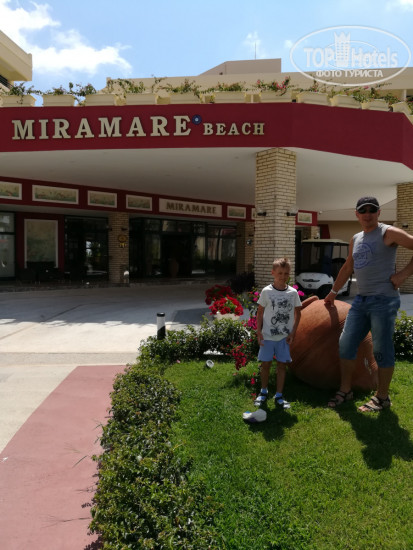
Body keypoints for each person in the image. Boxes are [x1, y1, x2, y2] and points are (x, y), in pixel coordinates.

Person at [325, 196, 413, 412]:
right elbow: (348, 267)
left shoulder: (388, 232)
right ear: (356, 214)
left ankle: (382, 397)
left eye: (371, 210)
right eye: (362, 210)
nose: (367, 214)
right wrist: (333, 292)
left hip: (384, 300)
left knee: (382, 348)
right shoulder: (356, 238)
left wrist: (402, 275)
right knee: (346, 343)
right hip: (361, 300)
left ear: (378, 213)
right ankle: (346, 390)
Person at [254, 257, 302, 409]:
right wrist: (259, 331)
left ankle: (279, 395)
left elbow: (298, 313)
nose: (283, 276)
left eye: (286, 273)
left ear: (289, 274)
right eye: (280, 273)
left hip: (284, 338)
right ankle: (263, 391)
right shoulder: (266, 292)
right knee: (266, 364)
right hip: (267, 336)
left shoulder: (293, 293)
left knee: (282, 366)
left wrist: (292, 332)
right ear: (273, 273)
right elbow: (260, 312)